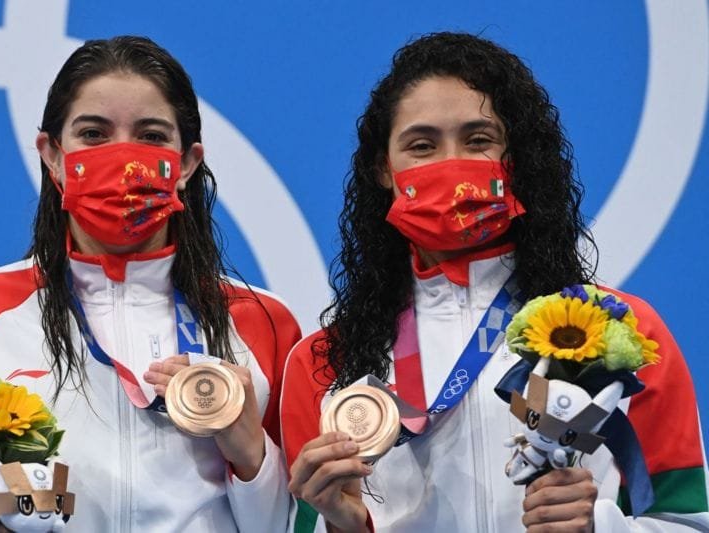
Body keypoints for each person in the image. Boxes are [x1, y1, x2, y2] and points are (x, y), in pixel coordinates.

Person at [280, 32, 709, 532]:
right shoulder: (324, 363)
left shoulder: (618, 331)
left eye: (478, 140)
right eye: (422, 146)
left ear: (517, 159)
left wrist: (600, 526)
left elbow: (688, 522)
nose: (451, 165)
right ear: (383, 169)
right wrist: (344, 525)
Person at [0, 35, 300, 532]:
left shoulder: (263, 324)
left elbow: (298, 520)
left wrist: (253, 460)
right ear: (52, 155)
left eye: (151, 136)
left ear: (186, 163)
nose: (123, 159)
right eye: (94, 134)